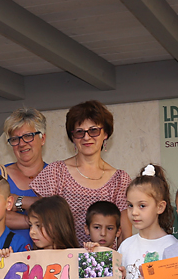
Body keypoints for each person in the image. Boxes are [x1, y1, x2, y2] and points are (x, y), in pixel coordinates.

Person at [30, 100, 132, 245]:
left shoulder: (120, 179)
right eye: (79, 132)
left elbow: (125, 237)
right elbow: (42, 224)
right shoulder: (55, 172)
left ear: (106, 134)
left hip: (103, 264)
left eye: (94, 130)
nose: (86, 137)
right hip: (63, 262)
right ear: (72, 138)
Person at [0, 108, 49, 230]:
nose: (22, 143)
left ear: (43, 139)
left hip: (46, 249)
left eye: (28, 136)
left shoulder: (57, 174)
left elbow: (60, 215)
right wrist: (38, 221)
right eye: (15, 139)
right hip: (6, 249)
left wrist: (18, 201)